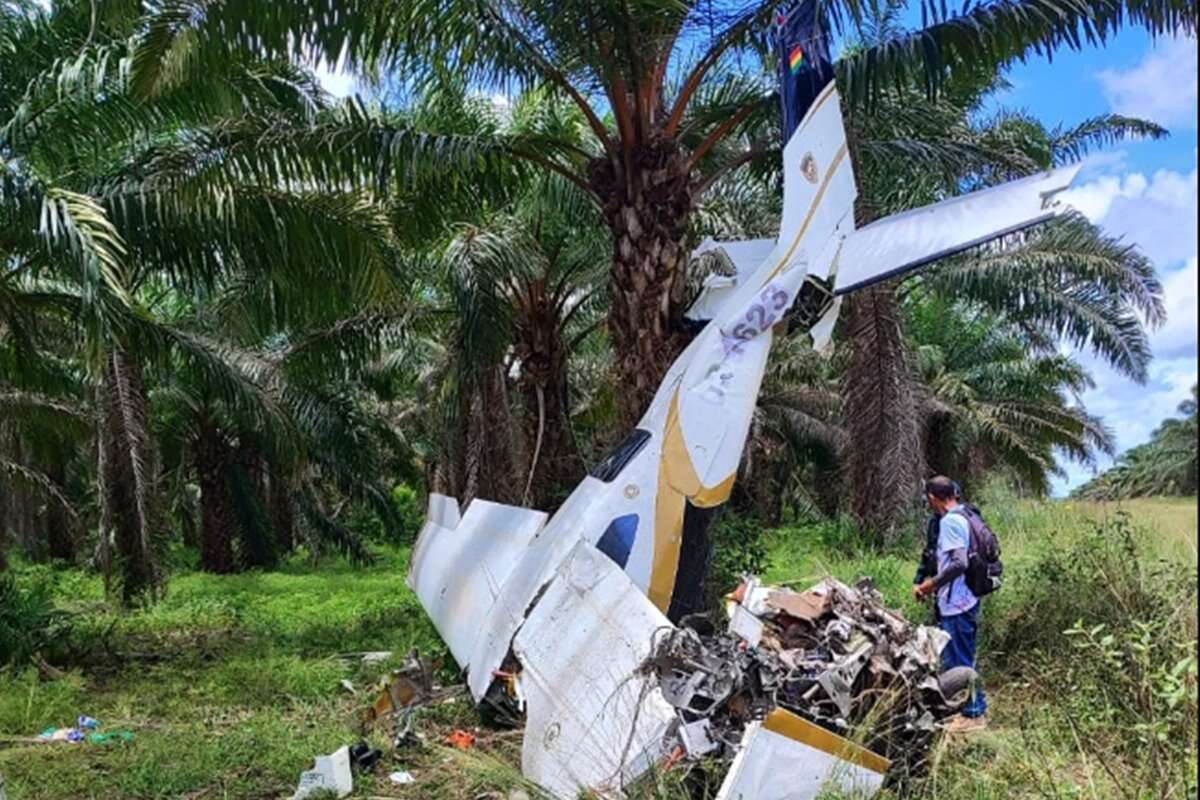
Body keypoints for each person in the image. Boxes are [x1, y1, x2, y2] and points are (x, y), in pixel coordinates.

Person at [914, 475, 989, 731]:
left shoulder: (949, 521)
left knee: (959, 662)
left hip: (957, 602)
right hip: (966, 598)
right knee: (962, 656)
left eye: (929, 498)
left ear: (933, 498)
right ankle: (971, 708)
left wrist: (930, 584)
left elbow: (959, 563)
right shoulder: (967, 514)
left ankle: (974, 714)